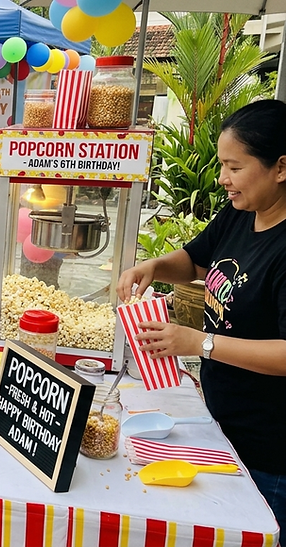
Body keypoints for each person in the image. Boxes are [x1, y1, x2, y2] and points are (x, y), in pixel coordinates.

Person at [117, 99, 286, 527]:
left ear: (280, 168)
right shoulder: (240, 214)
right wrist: (152, 266)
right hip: (222, 419)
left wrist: (201, 343)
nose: (223, 179)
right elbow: (195, 260)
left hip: (270, 445)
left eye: (235, 167)